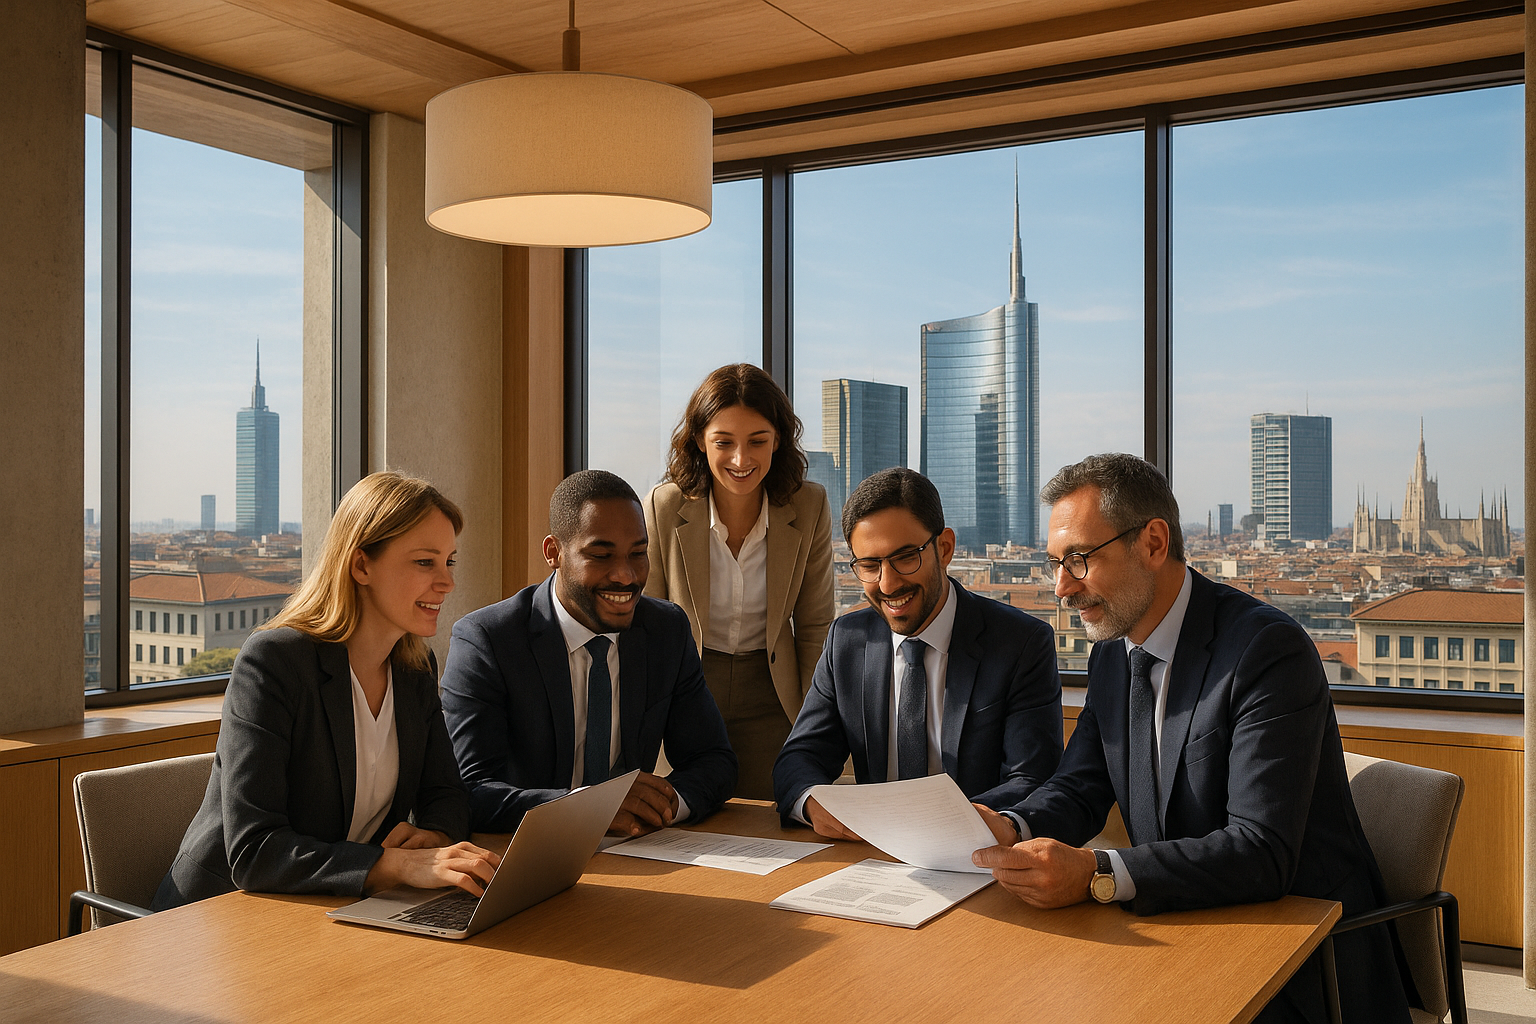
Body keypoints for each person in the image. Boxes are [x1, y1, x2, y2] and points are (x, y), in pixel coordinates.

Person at [970, 453, 1411, 1024]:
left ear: (1153, 543)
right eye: (1054, 563)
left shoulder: (1265, 651)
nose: (1061, 588)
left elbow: (1260, 850)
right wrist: (1011, 826)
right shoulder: (1113, 650)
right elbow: (1080, 786)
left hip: (1302, 963)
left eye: (1078, 560)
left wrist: (1097, 872)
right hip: (1179, 929)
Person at [153, 472, 499, 910]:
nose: (447, 582)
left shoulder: (414, 669)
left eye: (449, 562)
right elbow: (255, 850)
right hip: (220, 914)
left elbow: (446, 793)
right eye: (424, 562)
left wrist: (434, 836)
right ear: (361, 566)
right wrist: (392, 866)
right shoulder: (274, 662)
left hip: (333, 907)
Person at [441, 469, 737, 835]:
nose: (626, 576)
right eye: (601, 555)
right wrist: (589, 808)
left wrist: (663, 804)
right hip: (530, 852)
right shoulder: (488, 641)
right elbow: (468, 791)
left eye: (638, 554)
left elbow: (713, 760)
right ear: (554, 553)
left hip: (634, 848)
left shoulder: (666, 630)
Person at [773, 467, 1063, 838]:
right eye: (870, 565)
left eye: (905, 557)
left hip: (976, 852)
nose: (888, 583)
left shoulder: (1021, 642)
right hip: (874, 855)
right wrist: (812, 801)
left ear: (944, 548)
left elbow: (1033, 779)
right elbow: (799, 757)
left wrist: (931, 823)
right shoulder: (847, 641)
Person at [643, 363, 834, 799]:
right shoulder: (663, 506)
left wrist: (814, 725)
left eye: (757, 441)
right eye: (724, 442)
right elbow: (647, 625)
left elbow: (815, 626)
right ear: (699, 440)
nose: (741, 459)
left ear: (779, 439)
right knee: (685, 819)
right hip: (686, 688)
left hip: (772, 692)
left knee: (771, 820)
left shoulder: (810, 506)